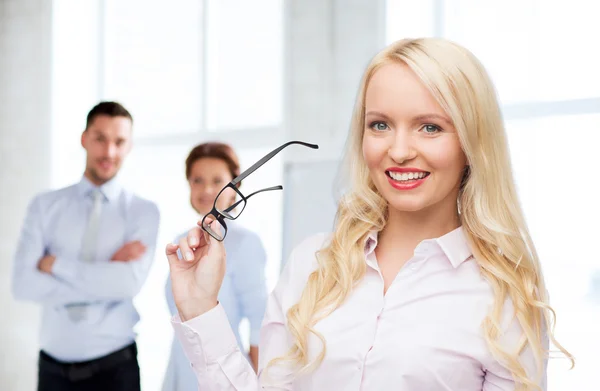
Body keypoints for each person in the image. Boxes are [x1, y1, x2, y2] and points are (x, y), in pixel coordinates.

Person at [165, 38, 574, 390]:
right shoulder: (311, 265)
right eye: (379, 125)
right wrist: (200, 308)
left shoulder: (504, 295)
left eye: (429, 127)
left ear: (472, 141)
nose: (397, 150)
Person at [11, 101, 160, 391]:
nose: (109, 152)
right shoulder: (45, 206)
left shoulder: (143, 211)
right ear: (84, 139)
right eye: (100, 138)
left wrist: (56, 266)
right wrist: (107, 274)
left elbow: (126, 286)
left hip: (116, 370)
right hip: (53, 370)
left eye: (119, 141)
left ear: (129, 146)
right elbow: (23, 285)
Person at [162, 142, 268, 391]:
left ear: (235, 186)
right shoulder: (184, 241)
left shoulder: (245, 243)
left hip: (223, 374)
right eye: (197, 180)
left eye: (217, 180)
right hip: (180, 370)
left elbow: (258, 326)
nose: (207, 189)